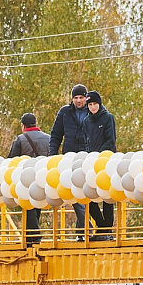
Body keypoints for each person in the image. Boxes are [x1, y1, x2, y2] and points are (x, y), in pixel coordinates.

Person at [49, 84, 95, 239]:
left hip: (88, 157)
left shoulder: (92, 110)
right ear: (72, 99)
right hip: (69, 158)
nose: (79, 101)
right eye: (76, 98)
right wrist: (52, 155)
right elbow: (56, 135)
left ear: (86, 97)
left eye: (81, 97)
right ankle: (85, 229)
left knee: (86, 193)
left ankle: (82, 231)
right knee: (74, 193)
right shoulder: (65, 113)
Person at [7, 113, 51, 243]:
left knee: (28, 205)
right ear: (36, 124)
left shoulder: (20, 139)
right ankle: (31, 236)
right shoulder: (48, 138)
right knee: (37, 205)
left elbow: (11, 160)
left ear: (23, 125)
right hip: (43, 176)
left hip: (26, 178)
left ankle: (33, 236)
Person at [84, 91, 118, 238]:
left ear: (100, 104)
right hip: (91, 161)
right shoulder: (86, 121)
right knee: (90, 196)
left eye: (95, 104)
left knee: (107, 196)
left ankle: (107, 229)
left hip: (106, 160)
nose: (93, 107)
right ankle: (102, 226)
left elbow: (111, 140)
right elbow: (86, 141)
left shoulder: (108, 118)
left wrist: (100, 154)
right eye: (90, 105)